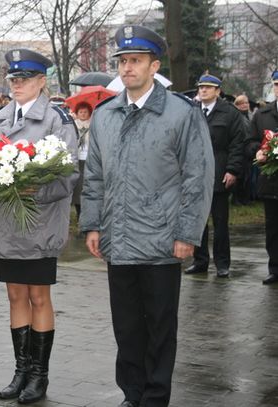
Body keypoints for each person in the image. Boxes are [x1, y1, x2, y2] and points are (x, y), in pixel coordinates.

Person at [80, 25, 214, 407]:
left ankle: (155, 396)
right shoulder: (105, 115)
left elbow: (198, 177)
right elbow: (96, 175)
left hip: (161, 240)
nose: (127, 68)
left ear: (154, 66)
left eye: (135, 61)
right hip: (118, 241)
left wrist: (187, 233)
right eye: (122, 61)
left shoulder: (181, 114)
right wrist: (91, 223)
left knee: (159, 327)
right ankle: (132, 393)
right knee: (126, 328)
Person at [0, 48, 79, 404]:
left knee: (39, 296)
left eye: (24, 80)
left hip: (38, 224)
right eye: (13, 80)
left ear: (42, 82)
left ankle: (39, 375)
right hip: (7, 225)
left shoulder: (57, 121)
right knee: (14, 295)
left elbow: (68, 176)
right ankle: (20, 370)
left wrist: (33, 187)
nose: (17, 85)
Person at [184, 74, 245, 278]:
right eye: (201, 87)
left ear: (218, 91)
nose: (203, 90)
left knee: (220, 223)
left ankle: (222, 263)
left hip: (219, 173)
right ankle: (200, 261)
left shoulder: (229, 113)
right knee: (198, 221)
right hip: (195, 174)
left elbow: (238, 144)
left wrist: (233, 170)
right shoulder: (191, 111)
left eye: (208, 87)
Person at [247, 70, 278, 285]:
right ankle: (275, 268)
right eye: (276, 84)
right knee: (273, 229)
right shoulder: (262, 115)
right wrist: (258, 151)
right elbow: (249, 142)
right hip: (272, 183)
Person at [71, 102, 92, 221]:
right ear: (77, 113)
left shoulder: (93, 125)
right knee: (77, 188)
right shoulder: (73, 126)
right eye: (81, 112)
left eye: (85, 112)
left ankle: (87, 213)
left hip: (89, 160)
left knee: (87, 187)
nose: (83, 114)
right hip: (77, 159)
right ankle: (79, 213)